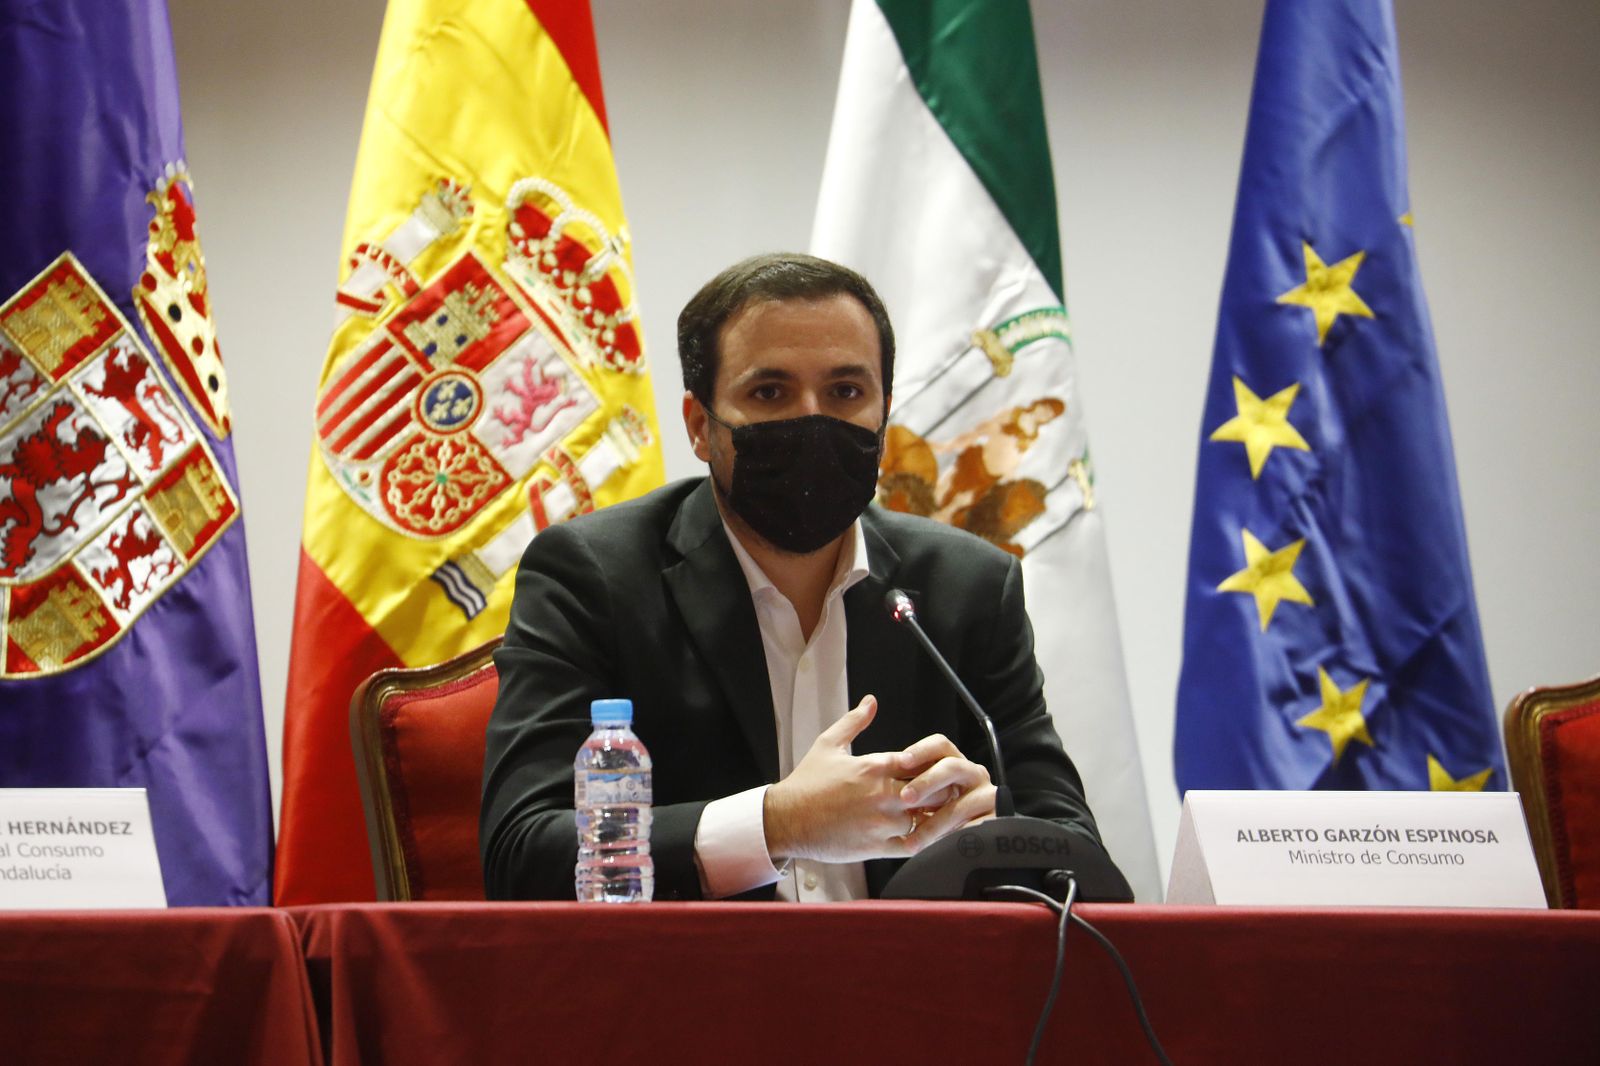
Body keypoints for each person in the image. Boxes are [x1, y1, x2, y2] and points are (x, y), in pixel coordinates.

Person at [480, 252, 1101, 901]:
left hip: (915, 987)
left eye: (846, 392)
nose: (814, 420)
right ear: (700, 425)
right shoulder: (594, 576)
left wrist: (996, 829)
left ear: (884, 415)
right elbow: (524, 851)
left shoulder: (965, 588)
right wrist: (779, 823)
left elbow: (1073, 853)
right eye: (769, 392)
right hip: (698, 989)